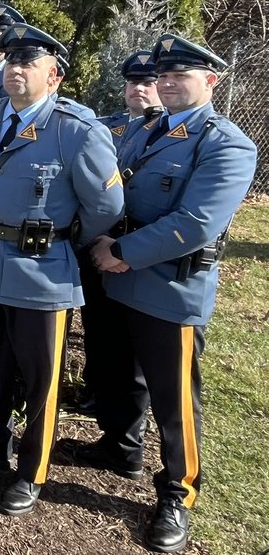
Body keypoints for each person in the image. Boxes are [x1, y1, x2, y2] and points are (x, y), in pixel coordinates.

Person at [67, 35, 256, 554]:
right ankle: (120, 447)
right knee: (113, 369)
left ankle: (179, 490)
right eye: (162, 76)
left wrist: (122, 250)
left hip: (168, 287)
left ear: (211, 81)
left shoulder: (226, 143)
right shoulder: (145, 128)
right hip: (114, 275)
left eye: (179, 76)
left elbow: (197, 222)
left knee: (174, 397)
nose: (167, 85)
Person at [0, 23, 124, 515]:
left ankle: (31, 469)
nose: (16, 69)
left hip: (42, 271)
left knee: (41, 377)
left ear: (55, 75)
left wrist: (62, 239)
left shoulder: (76, 130)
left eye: (29, 62)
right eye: (11, 60)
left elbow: (105, 208)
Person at [100, 50, 163, 138]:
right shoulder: (102, 127)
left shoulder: (169, 128)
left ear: (163, 89)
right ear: (126, 88)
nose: (138, 88)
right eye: (134, 82)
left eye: (147, 84)